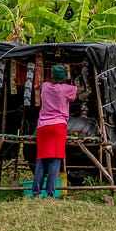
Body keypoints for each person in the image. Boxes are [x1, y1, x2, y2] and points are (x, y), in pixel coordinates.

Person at [32, 64, 77, 198]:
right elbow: (76, 93)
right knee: (55, 160)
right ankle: (50, 193)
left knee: (41, 159)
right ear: (65, 77)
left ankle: (36, 192)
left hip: (43, 127)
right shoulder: (67, 89)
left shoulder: (45, 86)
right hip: (58, 126)